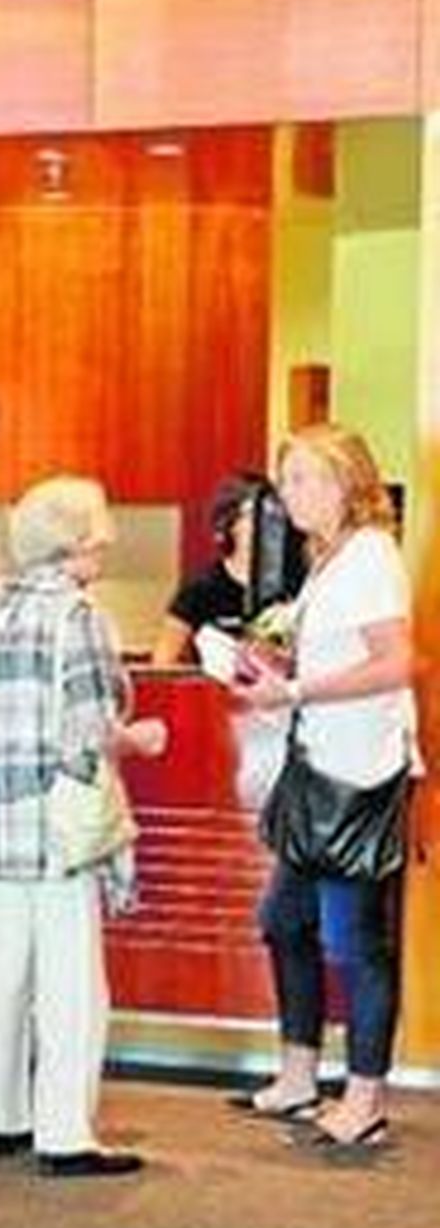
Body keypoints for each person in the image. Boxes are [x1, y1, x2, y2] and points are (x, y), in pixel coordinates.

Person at [0, 476, 168, 1179]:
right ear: (74, 541)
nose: (105, 541)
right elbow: (90, 730)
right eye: (98, 529)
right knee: (73, 977)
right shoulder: (77, 617)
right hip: (56, 820)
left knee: (7, 967)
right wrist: (143, 737)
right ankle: (65, 1131)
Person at [228, 424, 417, 1150]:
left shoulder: (370, 557)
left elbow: (395, 662)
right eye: (288, 478)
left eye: (305, 477)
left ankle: (365, 1097)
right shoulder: (328, 558)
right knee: (284, 921)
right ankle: (301, 1071)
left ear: (347, 483)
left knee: (358, 941)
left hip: (359, 773)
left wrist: (299, 686)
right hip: (319, 766)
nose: (289, 492)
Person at [149, 470, 269, 667]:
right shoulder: (201, 589)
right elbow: (162, 663)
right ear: (229, 522)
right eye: (253, 515)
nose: (263, 524)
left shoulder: (291, 582)